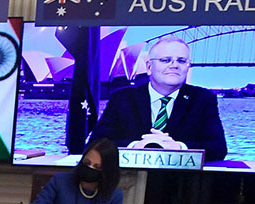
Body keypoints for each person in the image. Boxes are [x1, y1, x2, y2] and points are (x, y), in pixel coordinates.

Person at [89, 36, 226, 162]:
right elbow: (96, 144)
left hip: (183, 178)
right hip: (128, 177)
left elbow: (218, 148)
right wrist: (135, 146)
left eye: (181, 61)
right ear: (149, 67)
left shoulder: (203, 99)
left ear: (188, 66)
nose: (174, 65)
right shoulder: (122, 98)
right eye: (165, 60)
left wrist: (179, 148)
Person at [15, 138, 123, 204]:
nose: (90, 168)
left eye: (97, 167)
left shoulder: (114, 196)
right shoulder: (60, 181)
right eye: (87, 163)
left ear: (107, 171)